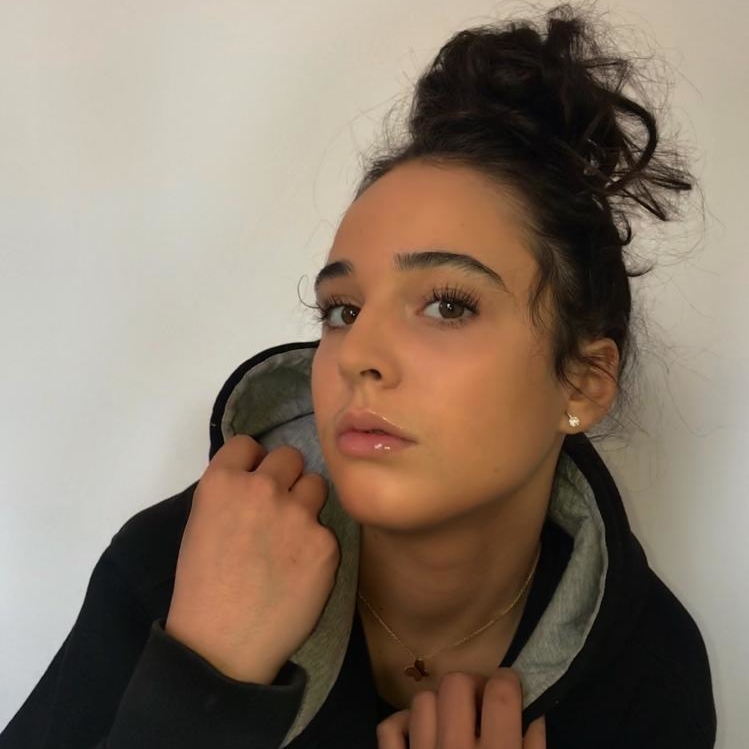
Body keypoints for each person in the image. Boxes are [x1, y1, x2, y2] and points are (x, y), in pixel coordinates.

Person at [0, 4, 716, 748]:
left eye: (447, 304)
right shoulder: (170, 570)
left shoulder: (648, 672)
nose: (355, 353)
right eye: (342, 310)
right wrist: (201, 683)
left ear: (583, 383)